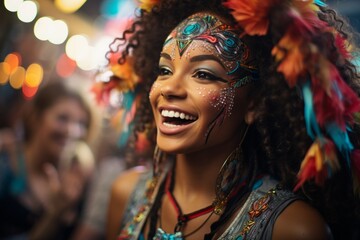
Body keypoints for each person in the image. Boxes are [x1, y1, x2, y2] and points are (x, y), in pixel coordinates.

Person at [106, 0, 360, 239]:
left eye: (203, 74)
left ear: (254, 104)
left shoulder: (292, 229)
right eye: (164, 70)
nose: (170, 88)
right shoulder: (125, 194)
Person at [0, 81, 98, 240]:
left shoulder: (79, 178)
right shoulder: (6, 162)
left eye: (81, 123)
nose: (72, 131)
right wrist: (55, 214)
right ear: (36, 116)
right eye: (62, 118)